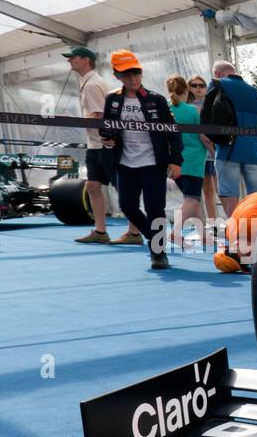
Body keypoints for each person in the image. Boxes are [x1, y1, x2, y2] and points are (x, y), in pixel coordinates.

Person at [98, 50, 182, 270]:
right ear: (117, 75)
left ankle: (158, 252)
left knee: (156, 208)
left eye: (136, 73)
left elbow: (173, 132)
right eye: (127, 75)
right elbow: (107, 127)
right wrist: (107, 139)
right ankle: (155, 241)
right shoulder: (112, 99)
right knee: (127, 206)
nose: (133, 79)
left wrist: (175, 160)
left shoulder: (157, 99)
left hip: (154, 163)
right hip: (125, 163)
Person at [62, 46, 124, 245]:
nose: (70, 61)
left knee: (121, 187)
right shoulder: (89, 82)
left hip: (105, 144)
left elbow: (97, 116)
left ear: (86, 60)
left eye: (73, 58)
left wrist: (72, 120)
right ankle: (100, 230)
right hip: (96, 144)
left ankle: (133, 230)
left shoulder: (92, 84)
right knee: (93, 185)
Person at [207, 60, 257, 217]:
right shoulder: (255, 92)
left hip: (226, 151)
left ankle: (235, 234)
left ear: (217, 73)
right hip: (252, 152)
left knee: (231, 197)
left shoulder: (217, 84)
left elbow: (207, 118)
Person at [165, 75, 209, 250]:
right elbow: (203, 136)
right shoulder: (192, 111)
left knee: (194, 201)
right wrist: (215, 150)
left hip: (172, 161)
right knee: (192, 199)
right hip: (193, 160)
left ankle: (204, 236)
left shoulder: (166, 110)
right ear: (186, 90)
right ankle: (175, 233)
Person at [185, 75, 220, 222]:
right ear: (188, 87)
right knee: (196, 193)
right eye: (194, 85)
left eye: (201, 85)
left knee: (214, 191)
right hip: (196, 155)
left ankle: (213, 223)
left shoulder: (212, 104)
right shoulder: (186, 107)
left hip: (213, 152)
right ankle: (200, 224)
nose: (198, 88)